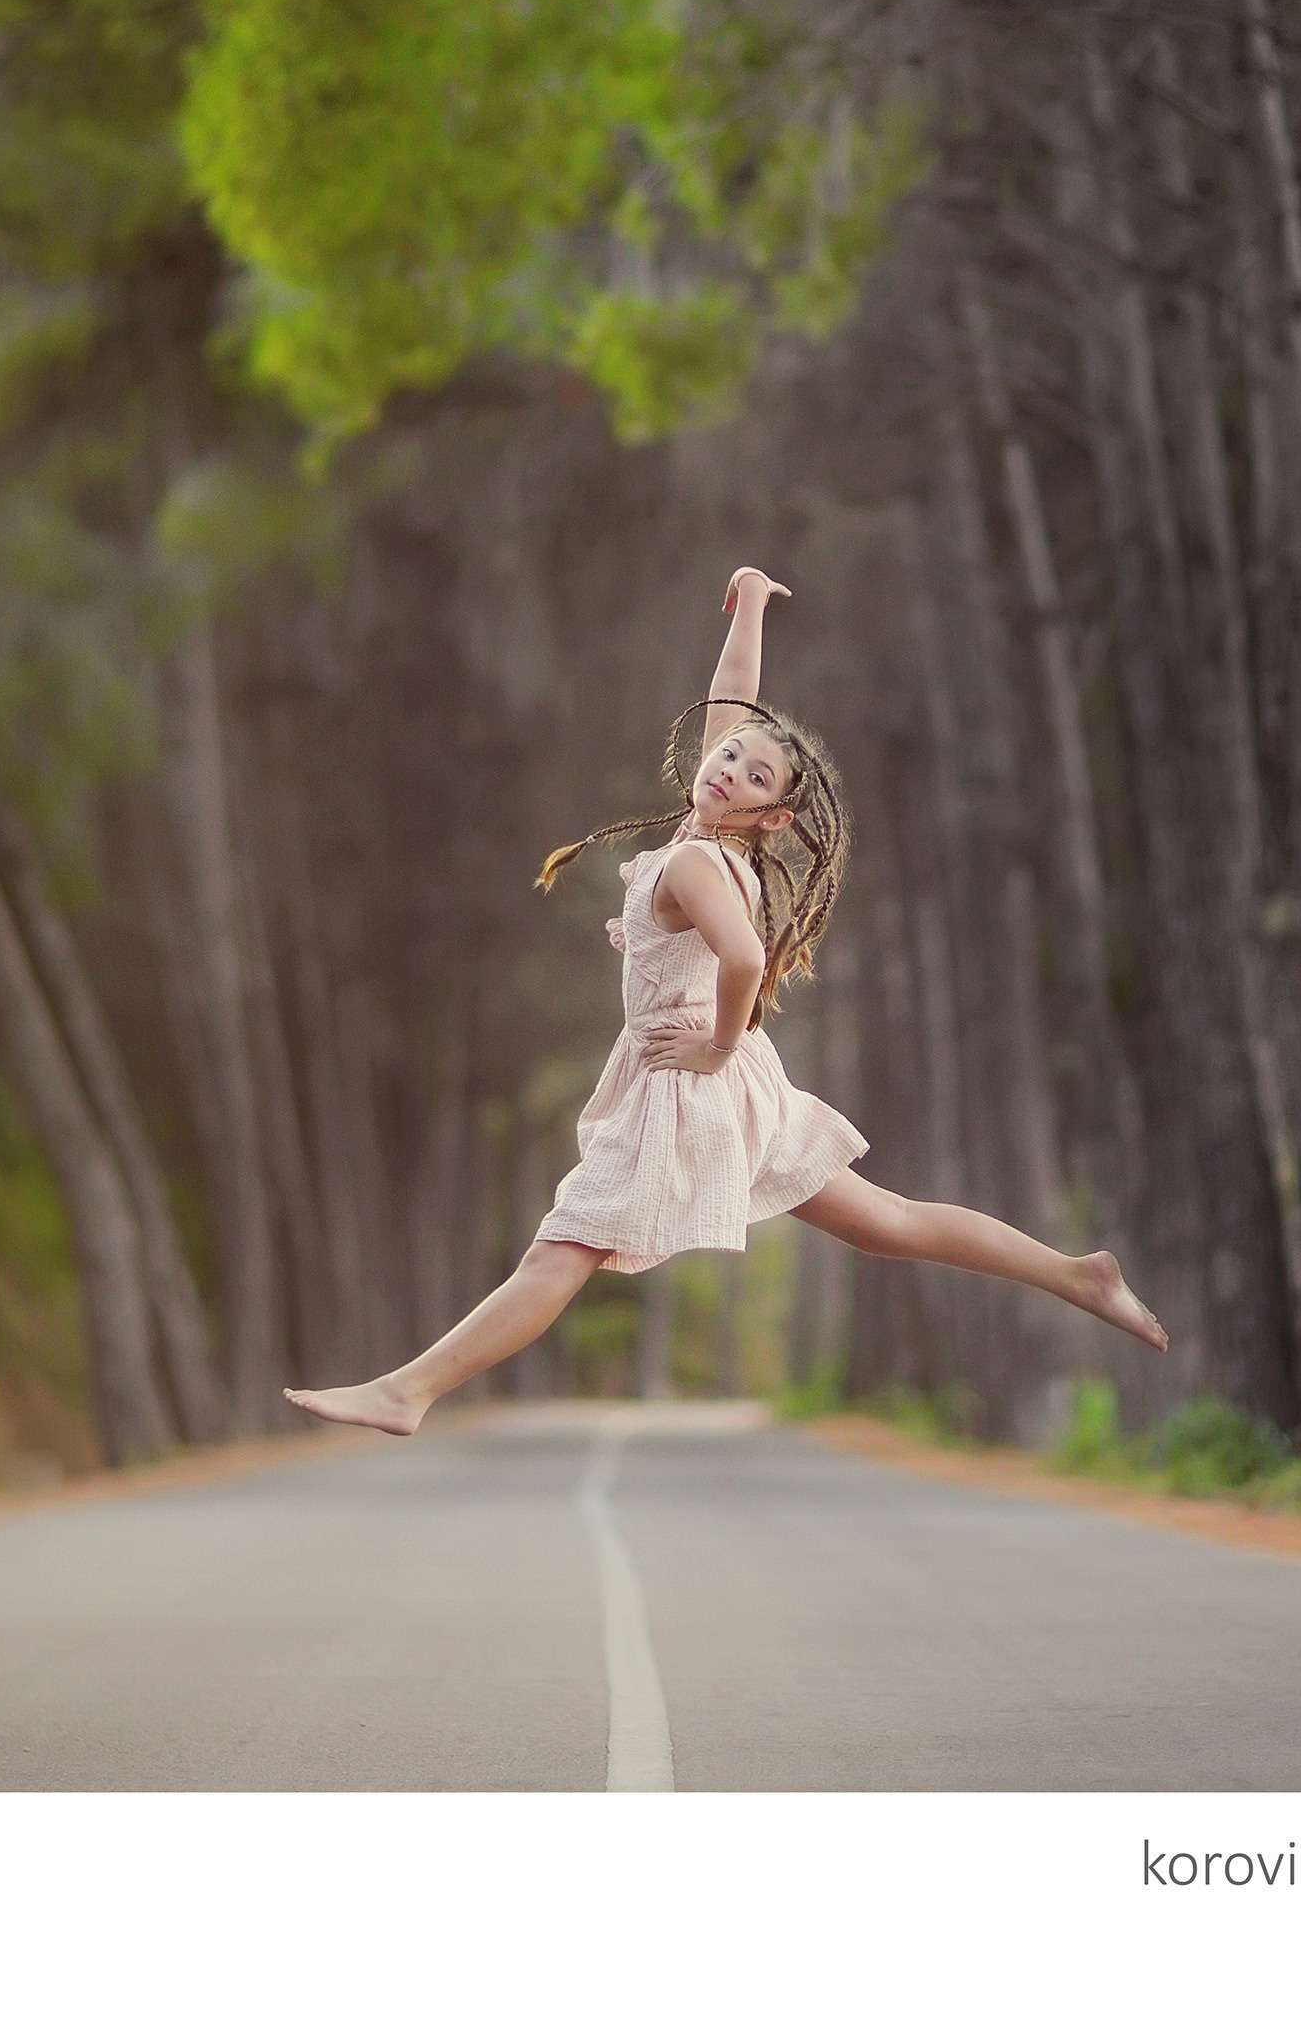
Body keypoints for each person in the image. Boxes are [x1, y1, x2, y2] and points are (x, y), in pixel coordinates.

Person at [284, 565, 1166, 1435]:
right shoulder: (710, 843)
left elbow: (744, 956)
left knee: (560, 1250)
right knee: (884, 1220)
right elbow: (733, 701)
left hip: (689, 1086)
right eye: (729, 757)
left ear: (771, 818)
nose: (730, 768)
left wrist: (713, 1043)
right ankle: (1073, 1275)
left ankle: (409, 1391)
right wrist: (747, 606)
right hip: (732, 1082)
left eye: (753, 779)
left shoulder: (697, 861)